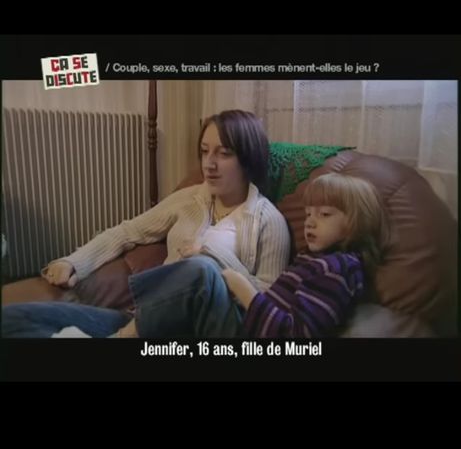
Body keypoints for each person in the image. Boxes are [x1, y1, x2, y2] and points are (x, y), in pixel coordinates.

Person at [2, 111, 290, 338]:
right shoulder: (190, 198)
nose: (209, 164)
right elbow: (129, 231)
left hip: (200, 329)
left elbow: (269, 303)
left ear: (248, 158)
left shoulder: (268, 220)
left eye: (224, 153)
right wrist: (74, 262)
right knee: (15, 318)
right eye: (204, 151)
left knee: (201, 267)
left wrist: (212, 255)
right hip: (145, 318)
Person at [221, 173, 390, 338]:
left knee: (207, 273)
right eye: (308, 213)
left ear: (356, 223)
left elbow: (295, 334)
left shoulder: (335, 269)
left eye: (324, 214)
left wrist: (244, 289)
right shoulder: (312, 259)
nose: (309, 222)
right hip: (245, 325)